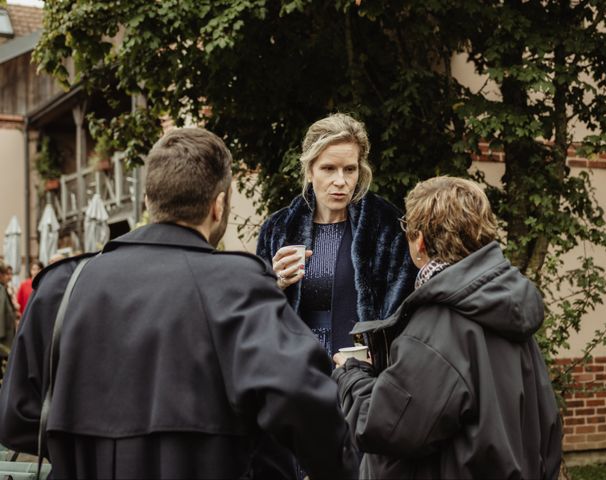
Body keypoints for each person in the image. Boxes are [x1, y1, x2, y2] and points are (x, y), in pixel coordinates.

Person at [0, 128, 358, 479]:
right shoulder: (238, 286)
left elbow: (16, 417)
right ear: (218, 207)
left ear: (148, 202)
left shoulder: (61, 286)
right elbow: (304, 403)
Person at [333, 176, 563, 479]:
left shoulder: (439, 323)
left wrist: (351, 374)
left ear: (420, 241)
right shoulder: (507, 304)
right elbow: (548, 429)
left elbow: (389, 427)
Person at [257, 113, 417, 356]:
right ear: (310, 170)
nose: (340, 181)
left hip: (363, 375)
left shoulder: (385, 226)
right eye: (329, 169)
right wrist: (274, 284)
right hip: (296, 372)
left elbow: (403, 310)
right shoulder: (279, 228)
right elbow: (255, 312)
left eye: (349, 169)